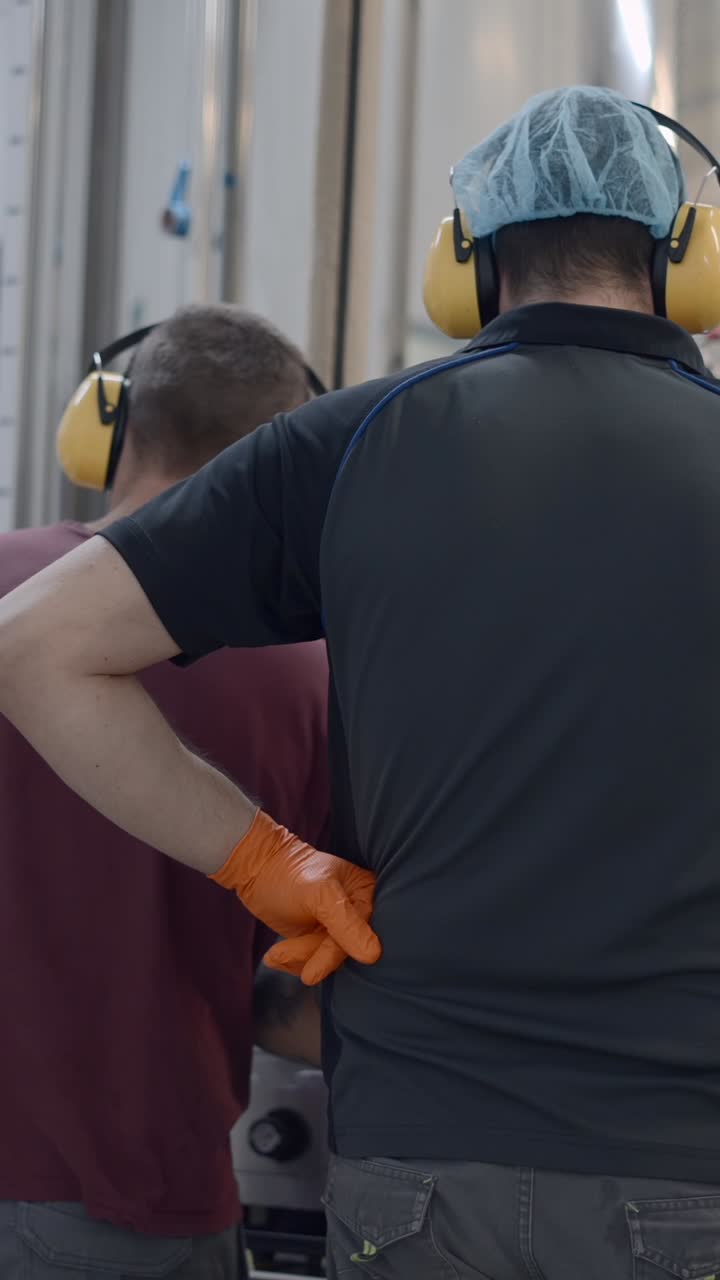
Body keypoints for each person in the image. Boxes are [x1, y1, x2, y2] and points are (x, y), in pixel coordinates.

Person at [3, 84, 720, 1277]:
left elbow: (33, 646)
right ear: (684, 262)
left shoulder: (349, 443)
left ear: (468, 263)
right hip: (685, 1166)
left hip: (419, 1171)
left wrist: (264, 860)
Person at [0, 305, 329, 1279]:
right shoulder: (307, 669)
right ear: (287, 466)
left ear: (108, 428)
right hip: (130, 1205)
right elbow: (307, 985)